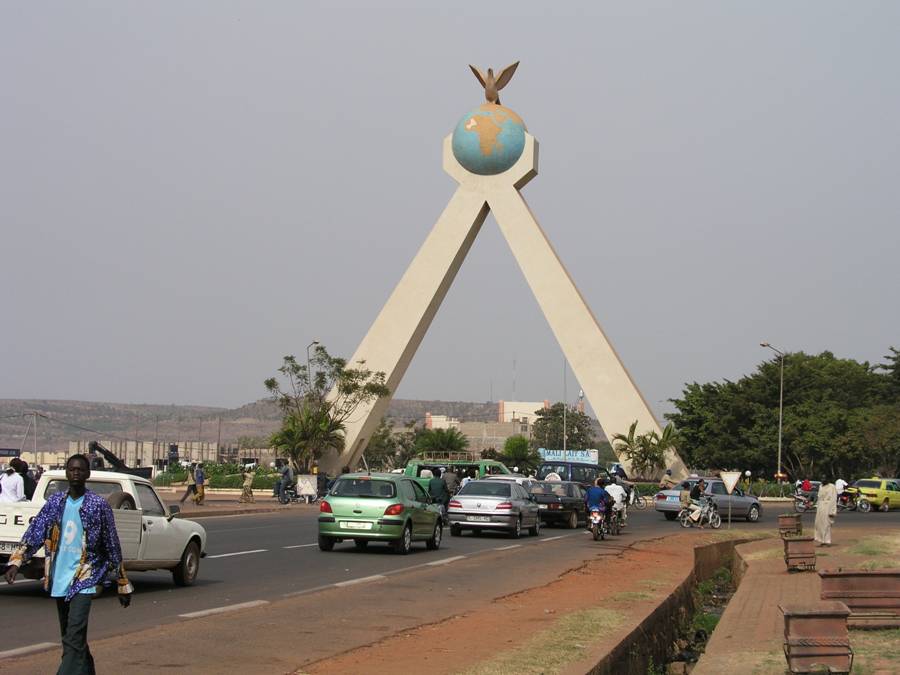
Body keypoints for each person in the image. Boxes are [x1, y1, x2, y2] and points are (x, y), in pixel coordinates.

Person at [4, 453, 132, 674]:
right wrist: (16, 562)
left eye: (80, 470)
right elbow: (36, 531)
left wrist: (122, 581)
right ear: (66, 472)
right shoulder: (55, 503)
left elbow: (112, 543)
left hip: (85, 577)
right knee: (71, 637)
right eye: (72, 469)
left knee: (74, 634)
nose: (75, 473)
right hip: (59, 577)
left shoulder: (98, 505)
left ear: (87, 474)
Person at [814, 478, 838, 546]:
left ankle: (827, 541)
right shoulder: (820, 486)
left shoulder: (832, 487)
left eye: (825, 478)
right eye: (822, 478)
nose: (823, 480)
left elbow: (833, 499)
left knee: (826, 524)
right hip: (820, 507)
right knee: (819, 524)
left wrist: (832, 510)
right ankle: (822, 540)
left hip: (828, 506)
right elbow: (819, 497)